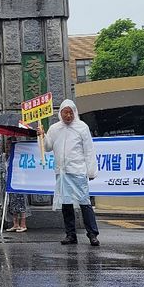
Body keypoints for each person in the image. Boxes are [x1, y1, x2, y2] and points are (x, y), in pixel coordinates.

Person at [38, 99, 100, 246]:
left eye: (70, 113)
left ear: (74, 113)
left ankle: (92, 234)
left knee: (85, 203)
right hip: (62, 172)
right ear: (60, 113)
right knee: (66, 204)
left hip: (77, 171)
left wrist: (90, 171)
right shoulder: (54, 128)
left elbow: (89, 150)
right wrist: (42, 135)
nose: (68, 116)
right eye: (65, 112)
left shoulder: (82, 127)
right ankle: (70, 234)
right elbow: (47, 147)